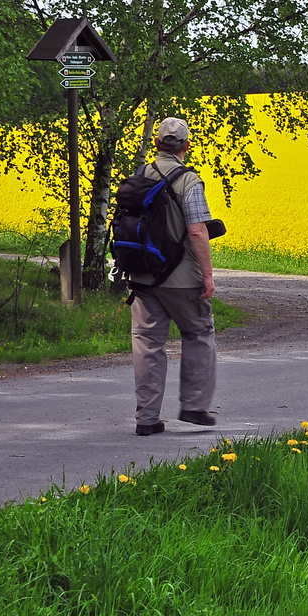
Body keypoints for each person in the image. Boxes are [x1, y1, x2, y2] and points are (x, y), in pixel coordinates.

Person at [126, 117, 218, 437]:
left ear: (155, 144)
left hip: (142, 275)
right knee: (199, 332)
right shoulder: (189, 181)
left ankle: (147, 418)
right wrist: (207, 276)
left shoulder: (139, 175)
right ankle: (194, 406)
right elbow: (196, 230)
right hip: (181, 279)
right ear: (186, 146)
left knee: (147, 343)